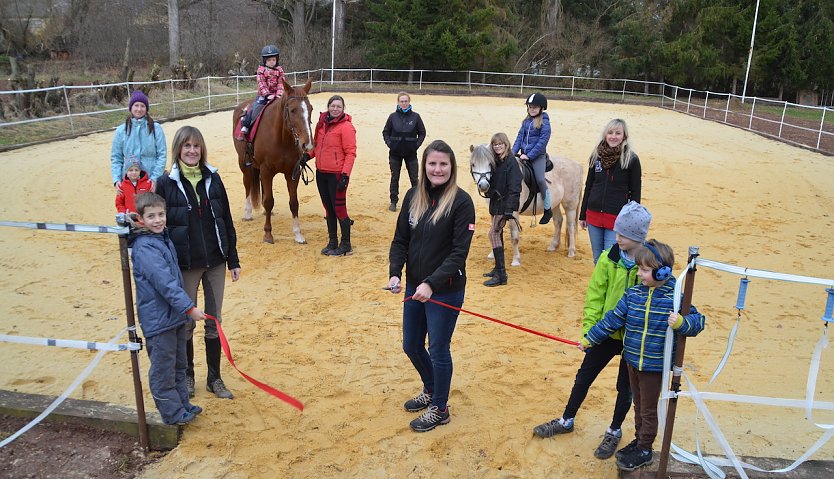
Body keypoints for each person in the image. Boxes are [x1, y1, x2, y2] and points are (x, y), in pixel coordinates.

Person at [532, 201, 652, 460]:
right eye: (617, 232)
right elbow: (595, 296)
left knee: (626, 387)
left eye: (623, 234)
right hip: (605, 332)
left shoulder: (650, 265)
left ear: (637, 237)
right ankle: (567, 419)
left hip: (633, 338)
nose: (617, 237)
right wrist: (590, 332)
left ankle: (614, 430)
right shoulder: (609, 259)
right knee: (584, 376)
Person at [580, 239, 705, 471]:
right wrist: (591, 339)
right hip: (632, 361)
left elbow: (698, 322)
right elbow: (612, 320)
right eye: (639, 268)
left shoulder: (675, 298)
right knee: (638, 404)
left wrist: (681, 323)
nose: (639, 274)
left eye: (644, 270)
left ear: (663, 272)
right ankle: (639, 441)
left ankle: (645, 449)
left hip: (653, 367)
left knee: (647, 408)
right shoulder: (633, 294)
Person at [387, 140, 476, 432]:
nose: (437, 169)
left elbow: (458, 254)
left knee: (438, 348)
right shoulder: (413, 196)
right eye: (432, 163)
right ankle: (430, 388)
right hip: (415, 286)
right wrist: (395, 273)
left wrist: (430, 283)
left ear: (452, 168)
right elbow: (401, 240)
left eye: (443, 164)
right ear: (424, 166)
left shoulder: (462, 203)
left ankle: (440, 407)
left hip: (444, 290)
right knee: (411, 344)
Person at [155, 126, 241, 400]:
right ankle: (188, 375)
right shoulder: (166, 183)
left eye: (196, 146)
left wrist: (233, 259)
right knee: (187, 322)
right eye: (187, 146)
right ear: (178, 149)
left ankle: (214, 378)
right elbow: (158, 223)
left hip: (215, 260)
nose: (192, 151)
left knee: (214, 320)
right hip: (185, 264)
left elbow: (226, 219)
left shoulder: (213, 179)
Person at [129, 192, 206, 425]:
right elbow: (166, 283)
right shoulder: (145, 247)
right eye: (151, 216)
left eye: (161, 214)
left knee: (179, 364)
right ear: (141, 219)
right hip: (158, 320)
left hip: (173, 318)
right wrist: (189, 308)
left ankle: (183, 404)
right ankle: (172, 413)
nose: (158, 220)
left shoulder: (163, 238)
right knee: (163, 368)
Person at [579, 118, 642, 263]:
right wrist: (583, 215)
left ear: (624, 136)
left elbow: (635, 193)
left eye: (618, 133)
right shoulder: (596, 157)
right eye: (610, 133)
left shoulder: (631, 159)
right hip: (593, 215)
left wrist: (631, 220)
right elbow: (589, 186)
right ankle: (600, 286)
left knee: (611, 259)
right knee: (597, 258)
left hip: (616, 218)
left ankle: (611, 286)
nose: (613, 136)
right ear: (605, 135)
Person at [310, 95, 357, 256]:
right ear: (328, 106)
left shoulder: (346, 127)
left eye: (338, 106)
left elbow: (351, 153)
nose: (335, 109)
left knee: (339, 209)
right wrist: (307, 156)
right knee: (328, 209)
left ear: (343, 108)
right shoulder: (321, 124)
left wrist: (345, 175)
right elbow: (317, 146)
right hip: (321, 173)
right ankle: (332, 241)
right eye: (332, 106)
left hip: (337, 175)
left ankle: (346, 245)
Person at [483, 132, 521, 287]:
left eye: (500, 144)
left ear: (506, 144)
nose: (497, 146)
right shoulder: (496, 161)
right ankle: (497, 269)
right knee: (498, 234)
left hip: (504, 205)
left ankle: (502, 274)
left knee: (493, 233)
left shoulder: (511, 162)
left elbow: (515, 187)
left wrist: (509, 209)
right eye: (495, 144)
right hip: (496, 203)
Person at [110, 90, 167, 192]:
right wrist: (116, 179)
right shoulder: (121, 131)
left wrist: (155, 179)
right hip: (130, 182)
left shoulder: (156, 129)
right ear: (131, 107)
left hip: (151, 181)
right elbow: (116, 157)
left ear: (146, 108)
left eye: (142, 106)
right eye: (136, 105)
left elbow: (162, 155)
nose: (139, 109)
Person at [511, 92, 552, 225]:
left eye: (535, 107)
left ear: (541, 108)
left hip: (537, 156)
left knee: (540, 179)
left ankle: (547, 209)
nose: (531, 109)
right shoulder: (526, 122)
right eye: (530, 106)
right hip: (523, 154)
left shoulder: (544, 123)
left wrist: (529, 155)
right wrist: (512, 153)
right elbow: (519, 138)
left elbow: (542, 142)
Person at [383, 92, 426, 212]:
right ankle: (393, 201)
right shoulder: (392, 117)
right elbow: (385, 132)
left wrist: (416, 145)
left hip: (411, 153)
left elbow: (422, 132)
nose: (404, 103)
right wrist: (390, 144)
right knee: (395, 178)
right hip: (395, 153)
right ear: (398, 102)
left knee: (414, 178)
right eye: (401, 101)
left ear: (409, 102)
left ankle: (418, 202)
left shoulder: (416, 117)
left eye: (406, 101)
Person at [240, 44, 285, 136]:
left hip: (278, 94)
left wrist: (279, 94)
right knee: (255, 108)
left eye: (273, 60)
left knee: (288, 107)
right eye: (269, 60)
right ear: (265, 61)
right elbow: (261, 84)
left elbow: (281, 82)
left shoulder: (280, 70)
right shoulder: (261, 70)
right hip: (264, 95)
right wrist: (267, 95)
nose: (272, 62)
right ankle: (245, 125)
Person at [115, 158, 153, 224]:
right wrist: (123, 213)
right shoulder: (122, 186)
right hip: (129, 218)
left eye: (136, 170)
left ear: (140, 171)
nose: (134, 172)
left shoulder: (147, 184)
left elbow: (152, 200)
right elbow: (119, 203)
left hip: (144, 218)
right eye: (130, 170)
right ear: (126, 172)